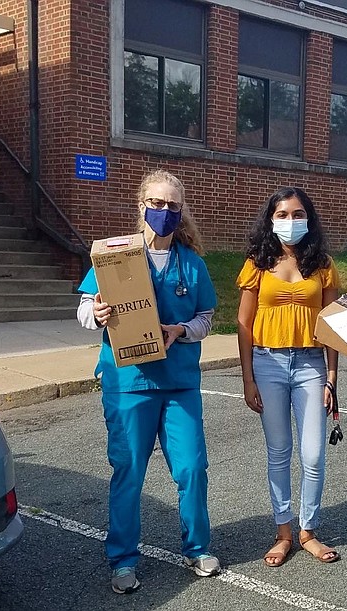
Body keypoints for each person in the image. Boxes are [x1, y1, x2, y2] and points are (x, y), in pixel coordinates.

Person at [76, 169, 220, 594]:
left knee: (192, 467)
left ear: (181, 212)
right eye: (156, 203)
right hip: (129, 382)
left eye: (172, 206)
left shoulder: (191, 265)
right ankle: (122, 558)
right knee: (129, 471)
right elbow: (85, 311)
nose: (163, 211)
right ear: (141, 206)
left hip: (178, 384)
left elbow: (207, 318)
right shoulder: (115, 256)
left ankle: (197, 547)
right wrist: (96, 315)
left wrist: (181, 331)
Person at [236, 186, 340, 567]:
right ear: (270, 220)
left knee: (313, 454)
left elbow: (333, 324)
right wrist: (247, 379)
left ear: (308, 219)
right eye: (282, 214)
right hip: (267, 363)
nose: (290, 221)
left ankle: (308, 530)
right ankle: (283, 533)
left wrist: (332, 377)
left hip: (311, 364)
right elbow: (244, 323)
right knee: (278, 453)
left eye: (297, 214)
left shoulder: (322, 263)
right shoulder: (258, 262)